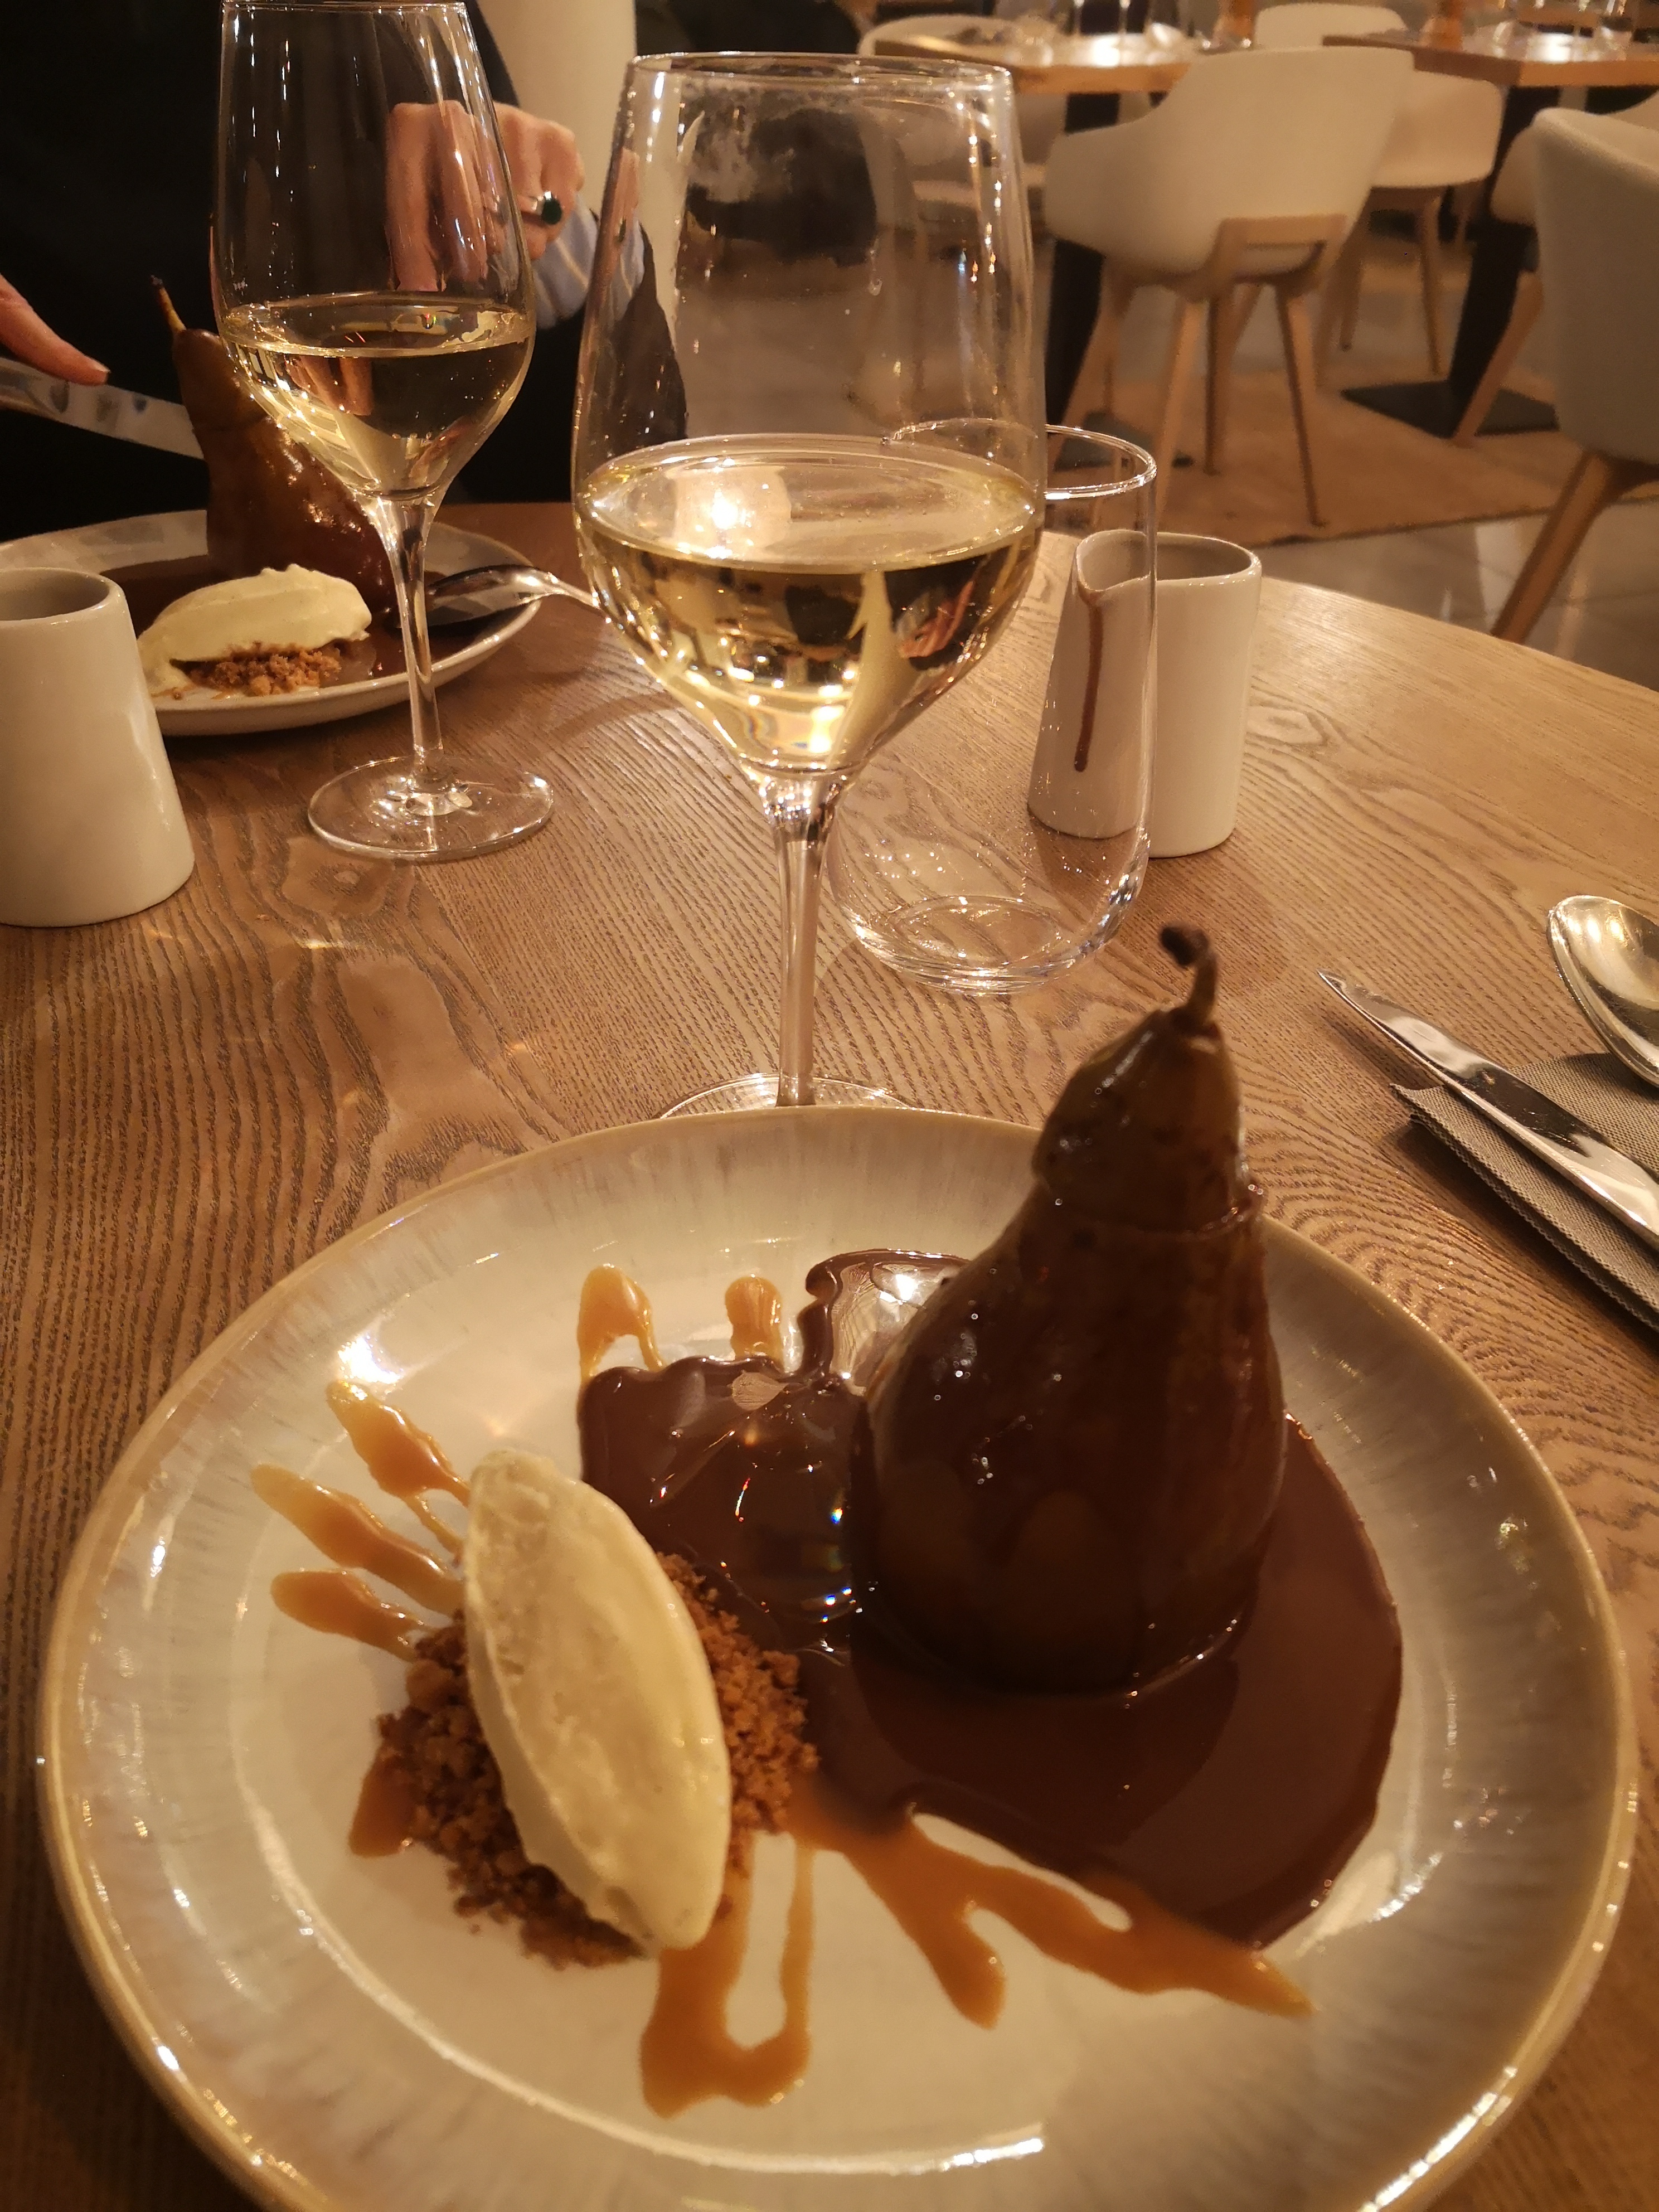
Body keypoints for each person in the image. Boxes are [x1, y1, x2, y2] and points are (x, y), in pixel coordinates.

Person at [0, 3, 589, 538]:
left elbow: (560, 449)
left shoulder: (402, 22)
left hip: (405, 561)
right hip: (56, 570)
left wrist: (534, 218)